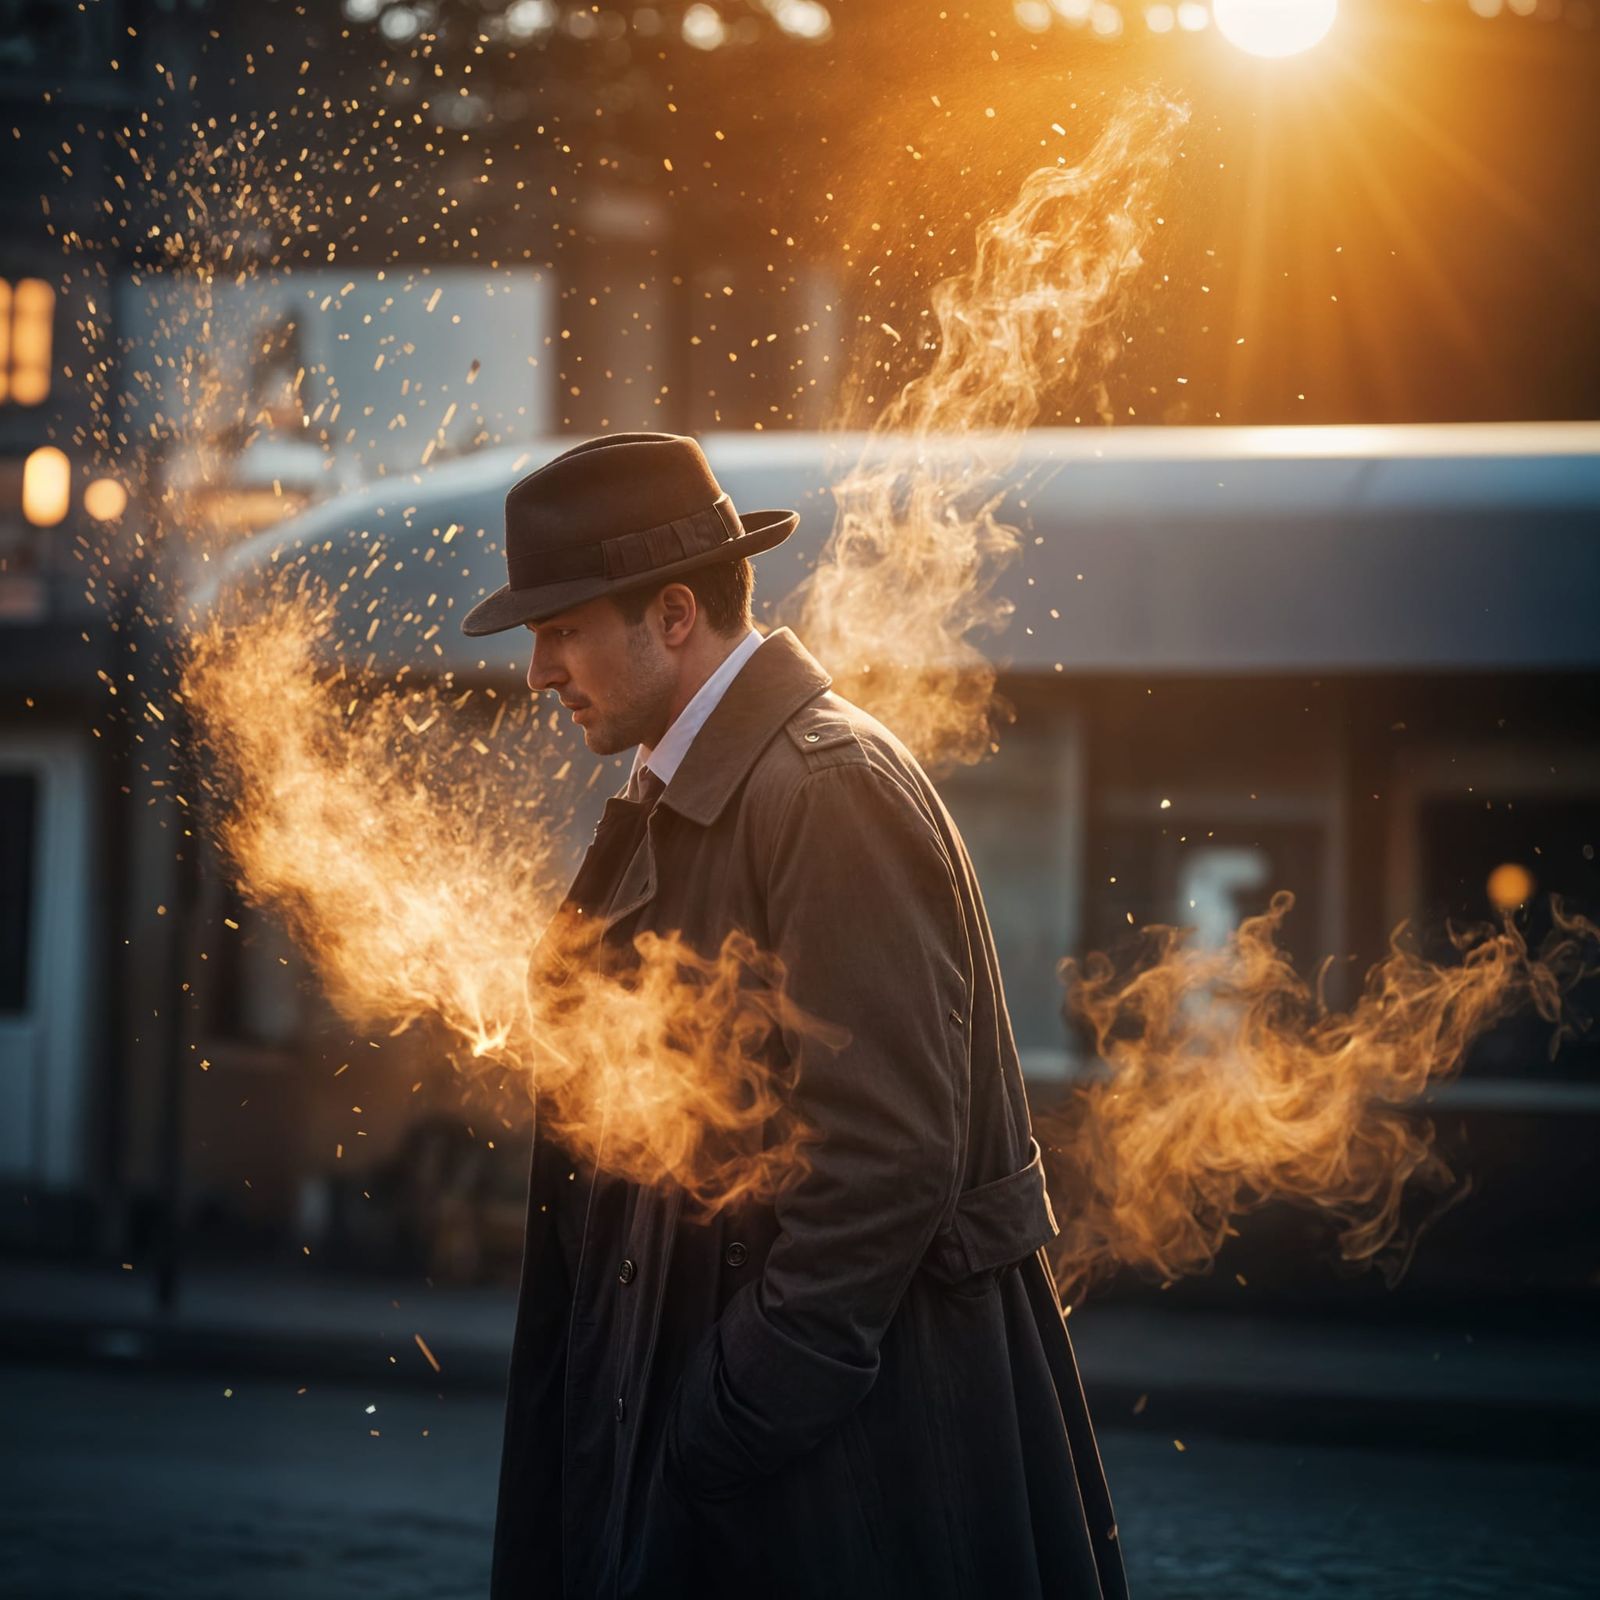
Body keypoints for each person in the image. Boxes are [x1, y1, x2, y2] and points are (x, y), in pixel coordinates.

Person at [461, 432, 1126, 1600]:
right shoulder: (702, 788)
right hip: (752, 1455)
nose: (538, 671)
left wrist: (727, 1413)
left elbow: (882, 1164)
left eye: (560, 628)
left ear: (674, 614)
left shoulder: (823, 788)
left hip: (835, 1470)